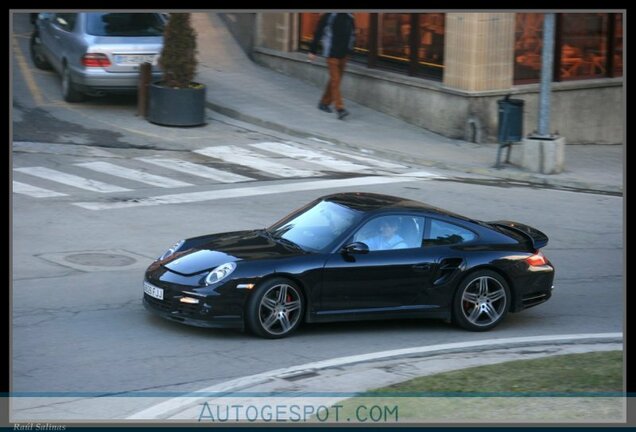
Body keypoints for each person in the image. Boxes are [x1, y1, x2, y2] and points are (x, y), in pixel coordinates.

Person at [308, 13, 355, 120]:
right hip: (331, 54)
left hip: (344, 55)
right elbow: (318, 32)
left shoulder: (350, 16)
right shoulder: (328, 16)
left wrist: (350, 51)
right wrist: (312, 51)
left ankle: (324, 103)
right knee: (335, 80)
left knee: (335, 81)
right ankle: (340, 109)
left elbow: (352, 35)